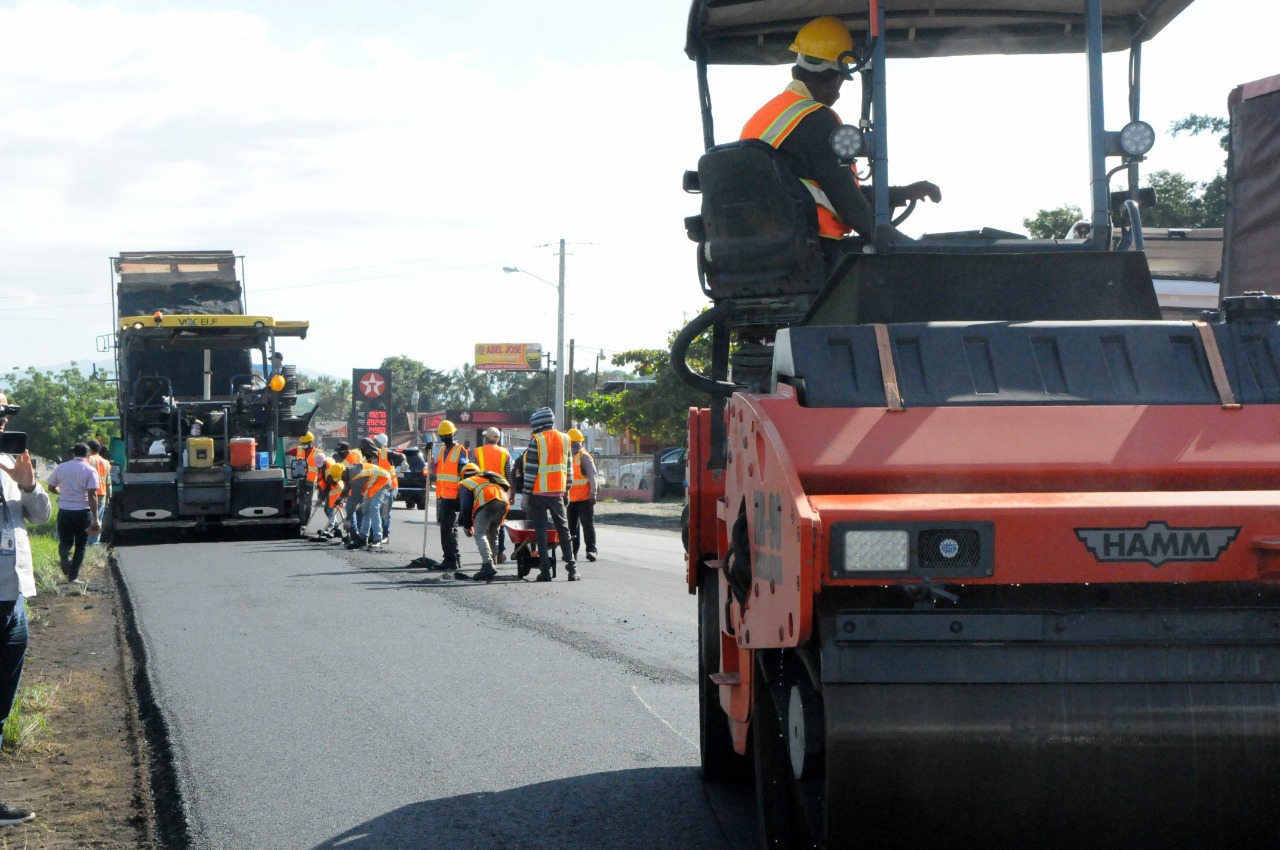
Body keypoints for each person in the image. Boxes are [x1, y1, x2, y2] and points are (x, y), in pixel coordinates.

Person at [741, 15, 940, 257]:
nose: (838, 93)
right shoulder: (817, 119)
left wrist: (900, 193)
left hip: (759, 250)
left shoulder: (764, 118)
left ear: (796, 71)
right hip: (811, 253)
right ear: (835, 77)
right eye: (842, 81)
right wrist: (907, 249)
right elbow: (847, 202)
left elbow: (820, 190)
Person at [0, 393, 51, 827]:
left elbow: (40, 517)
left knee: (0, 706)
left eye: (6, 415)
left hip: (12, 600)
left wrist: (30, 484)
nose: (3, 422)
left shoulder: (12, 468)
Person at [522, 407, 577, 582]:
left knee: (540, 531)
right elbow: (569, 469)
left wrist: (526, 494)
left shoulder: (536, 440)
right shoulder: (565, 438)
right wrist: (567, 490)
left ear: (538, 425)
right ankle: (572, 570)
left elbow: (530, 471)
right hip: (558, 493)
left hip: (538, 493)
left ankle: (545, 570)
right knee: (563, 530)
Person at [46, 444, 100, 582]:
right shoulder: (90, 470)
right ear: (88, 455)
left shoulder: (62, 467)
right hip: (83, 512)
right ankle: (73, 576)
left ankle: (64, 552)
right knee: (81, 545)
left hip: (64, 511)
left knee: (65, 540)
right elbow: (92, 495)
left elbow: (51, 486)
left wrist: (61, 492)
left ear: (73, 454)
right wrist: (96, 518)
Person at [458, 462, 510, 582]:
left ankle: (487, 565)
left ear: (463, 475)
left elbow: (465, 506)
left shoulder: (467, 483)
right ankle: (492, 563)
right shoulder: (487, 480)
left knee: (479, 534)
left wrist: (467, 525)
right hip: (503, 501)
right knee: (493, 533)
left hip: (487, 502)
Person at [432, 420, 468, 571]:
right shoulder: (441, 451)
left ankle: (450, 559)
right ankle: (453, 557)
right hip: (444, 495)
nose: (446, 438)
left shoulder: (459, 450)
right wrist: (429, 454)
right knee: (448, 528)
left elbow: (463, 472)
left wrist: (462, 494)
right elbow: (437, 471)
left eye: (446, 435)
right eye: (444, 435)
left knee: (447, 528)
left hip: (455, 495)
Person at [472, 427, 512, 563]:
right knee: (498, 524)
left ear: (486, 438)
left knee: (482, 528)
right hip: (500, 494)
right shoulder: (505, 453)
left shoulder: (477, 452)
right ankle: (499, 554)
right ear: (498, 439)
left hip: (481, 493)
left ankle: (488, 556)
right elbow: (509, 475)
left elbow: (471, 473)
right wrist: (511, 493)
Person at [567, 428, 599, 562]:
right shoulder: (567, 456)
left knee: (587, 525)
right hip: (571, 499)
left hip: (585, 499)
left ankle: (591, 550)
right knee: (572, 527)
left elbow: (593, 476)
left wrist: (593, 494)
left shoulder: (583, 456)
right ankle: (573, 553)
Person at [350, 450, 393, 551]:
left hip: (384, 481)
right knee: (365, 510)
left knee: (374, 508)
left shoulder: (357, 476)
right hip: (373, 484)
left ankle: (377, 538)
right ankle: (363, 537)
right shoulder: (350, 474)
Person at [372, 433, 403, 542]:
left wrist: (404, 462)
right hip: (378, 488)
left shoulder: (386, 453)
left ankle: (385, 535)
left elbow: (400, 456)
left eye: (375, 441)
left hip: (390, 487)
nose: (373, 442)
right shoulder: (372, 455)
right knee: (376, 511)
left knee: (384, 512)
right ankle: (375, 534)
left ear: (378, 443)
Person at [85, 439, 111, 545]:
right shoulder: (106, 462)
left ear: (89, 449)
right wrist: (109, 497)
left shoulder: (88, 460)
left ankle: (87, 543)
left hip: (90, 494)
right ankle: (94, 543)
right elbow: (108, 482)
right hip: (102, 494)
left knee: (87, 520)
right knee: (97, 520)